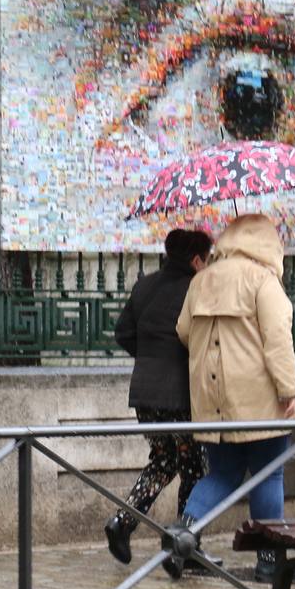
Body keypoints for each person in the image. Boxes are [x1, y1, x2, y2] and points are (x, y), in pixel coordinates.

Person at [169, 213, 295, 583]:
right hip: (258, 397)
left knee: (223, 473)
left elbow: (182, 331)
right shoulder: (264, 280)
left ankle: (184, 532)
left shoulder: (202, 279)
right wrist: (289, 390)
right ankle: (269, 559)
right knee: (269, 474)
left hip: (211, 398)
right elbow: (278, 340)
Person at [105, 228, 215, 569]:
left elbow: (123, 332)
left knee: (165, 461)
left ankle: (122, 523)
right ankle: (183, 546)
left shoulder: (145, 285)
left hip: (145, 394)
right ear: (197, 259)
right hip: (180, 396)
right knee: (194, 468)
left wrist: (151, 358)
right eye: (207, 259)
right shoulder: (197, 289)